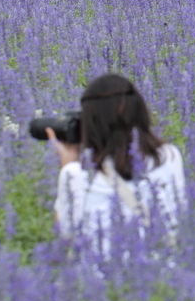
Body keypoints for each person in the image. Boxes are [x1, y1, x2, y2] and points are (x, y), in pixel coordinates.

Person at [45, 73, 186, 258]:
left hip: (101, 283)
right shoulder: (170, 156)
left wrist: (69, 165)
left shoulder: (76, 174)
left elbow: (64, 238)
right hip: (166, 278)